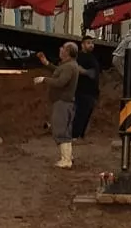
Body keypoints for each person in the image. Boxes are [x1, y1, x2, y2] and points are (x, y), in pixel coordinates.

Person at [41, 40, 97, 168]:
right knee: (64, 129)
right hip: (64, 102)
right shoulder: (69, 65)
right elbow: (59, 70)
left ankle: (66, 160)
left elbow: (61, 82)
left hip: (63, 103)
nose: (60, 49)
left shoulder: (69, 66)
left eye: (63, 48)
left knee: (61, 130)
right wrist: (47, 64)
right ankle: (67, 156)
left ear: (67, 52)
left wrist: (44, 79)